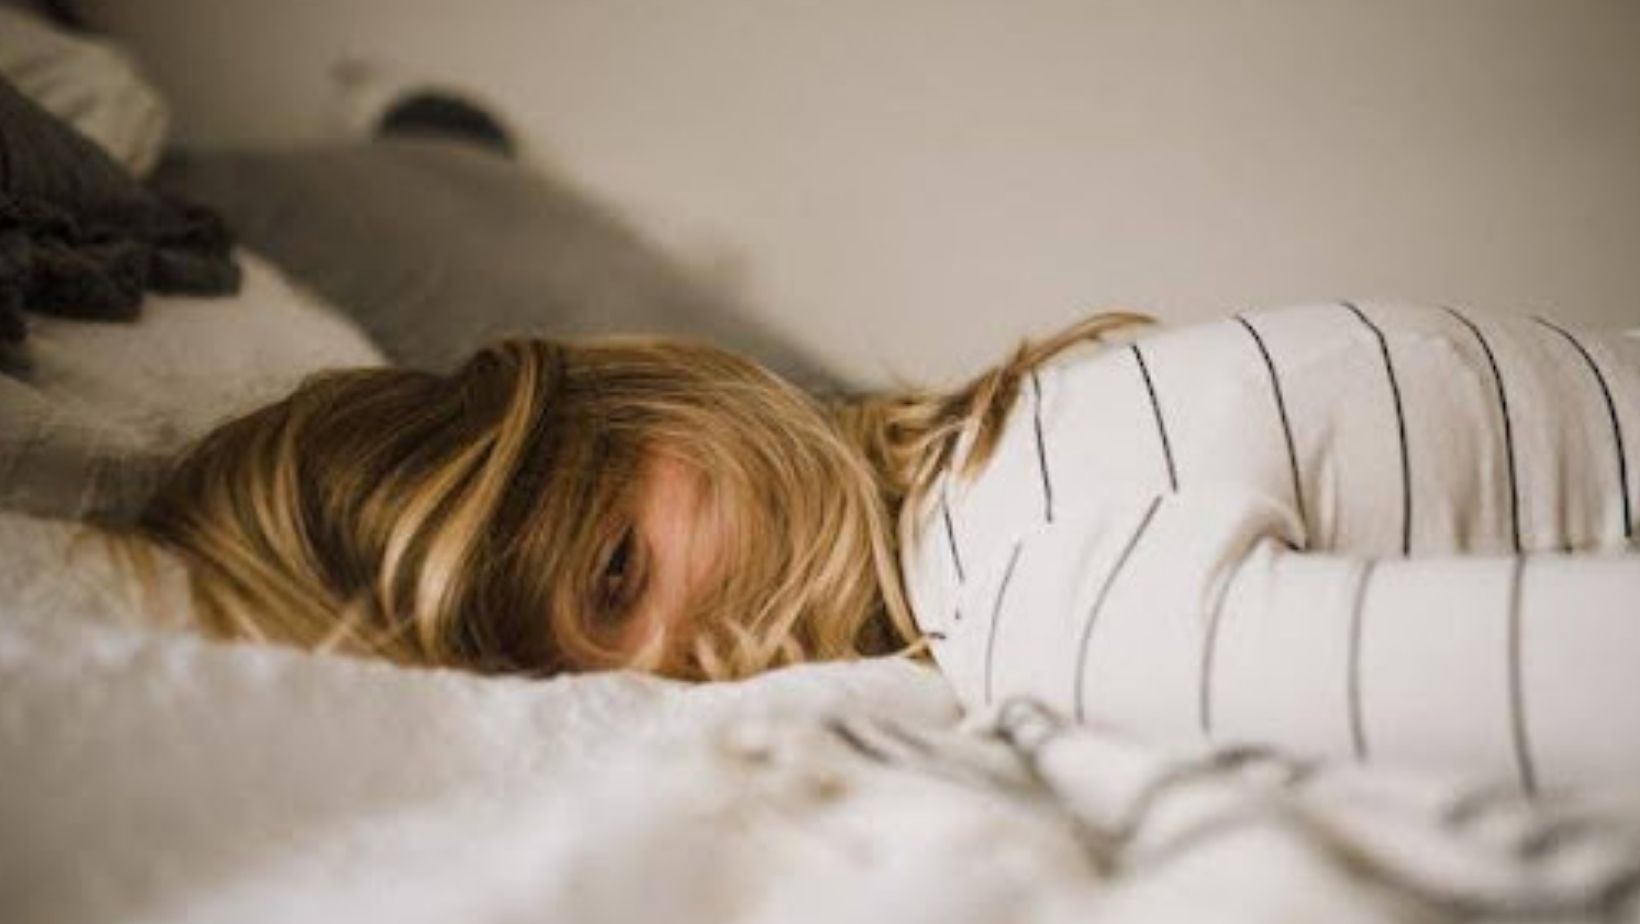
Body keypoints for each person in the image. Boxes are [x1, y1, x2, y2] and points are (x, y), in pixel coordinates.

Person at [137, 302, 1640, 786]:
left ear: (659, 397)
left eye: (616, 573)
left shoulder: (1045, 588)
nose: (681, 673)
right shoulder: (1013, 460)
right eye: (585, 693)